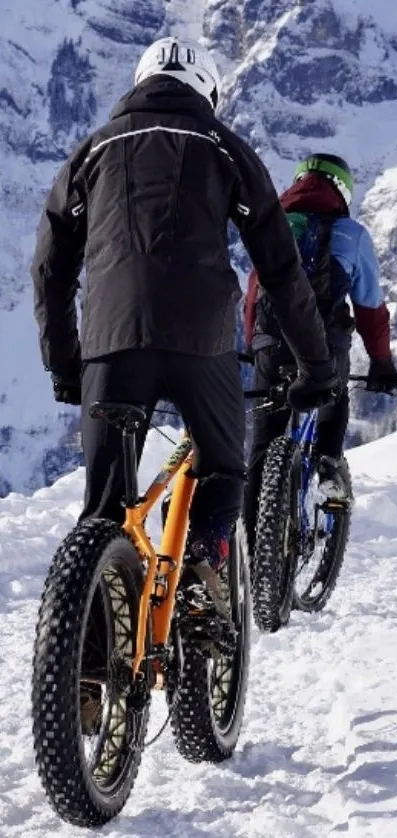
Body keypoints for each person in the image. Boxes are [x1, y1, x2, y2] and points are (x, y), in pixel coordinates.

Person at [31, 38, 337, 633]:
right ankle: (204, 568)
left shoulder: (91, 151)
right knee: (223, 466)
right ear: (209, 94)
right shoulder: (224, 146)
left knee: (105, 511)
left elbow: (49, 268)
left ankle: (91, 669)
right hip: (201, 341)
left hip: (111, 343)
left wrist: (66, 363)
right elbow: (279, 271)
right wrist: (316, 366)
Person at [244, 153, 397, 550]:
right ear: (343, 190)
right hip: (327, 346)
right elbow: (371, 310)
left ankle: (249, 553)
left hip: (271, 344)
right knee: (333, 402)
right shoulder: (352, 234)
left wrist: (255, 344)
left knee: (263, 448)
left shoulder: (273, 225)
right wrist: (381, 364)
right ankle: (330, 463)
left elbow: (252, 296)